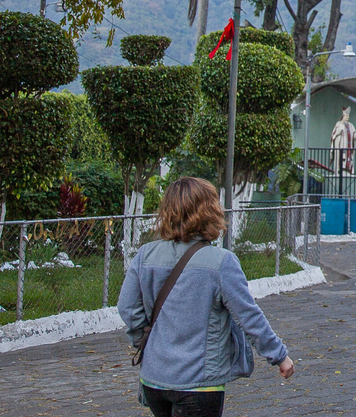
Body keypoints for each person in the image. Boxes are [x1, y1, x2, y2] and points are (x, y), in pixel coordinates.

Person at [119, 177, 295, 417]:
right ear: (209, 212)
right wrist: (279, 356)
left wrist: (145, 343)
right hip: (199, 384)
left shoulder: (144, 255)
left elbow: (128, 308)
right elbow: (248, 315)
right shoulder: (221, 262)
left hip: (154, 381)